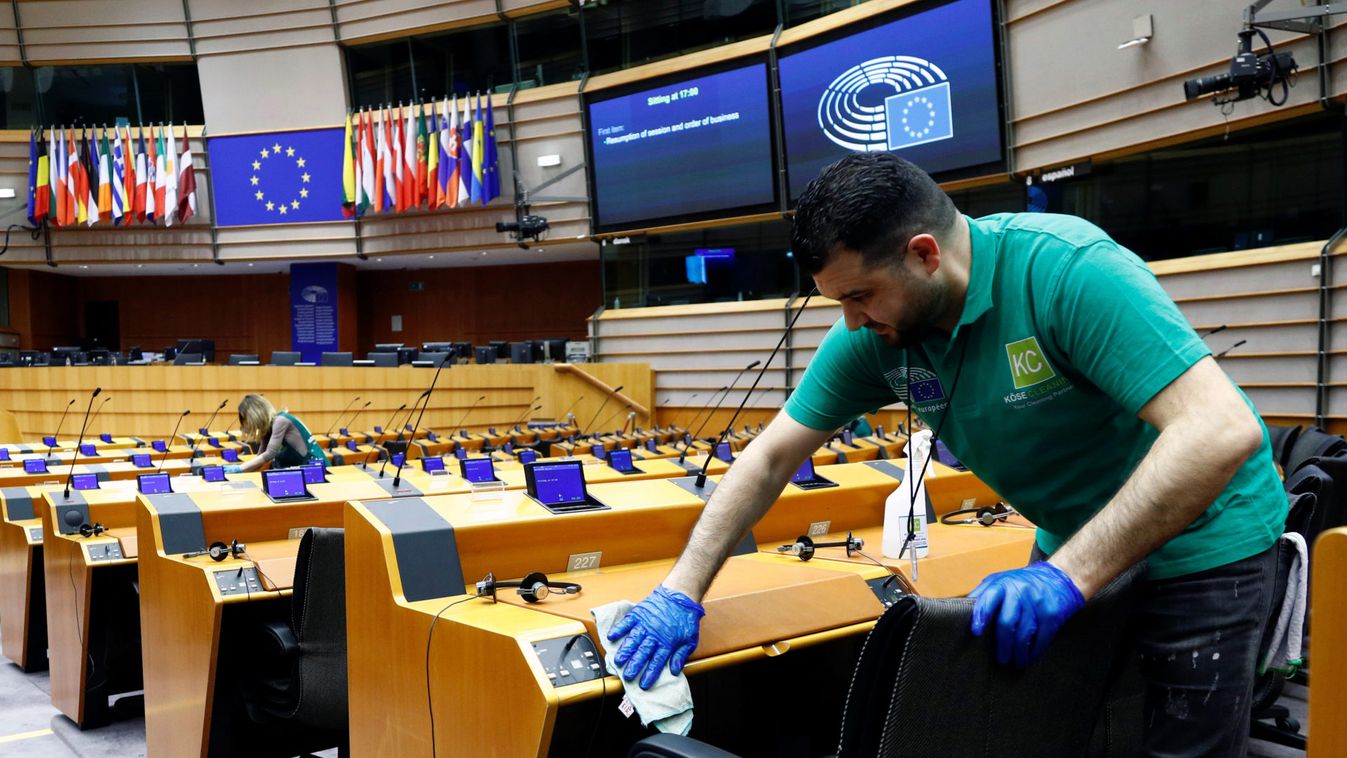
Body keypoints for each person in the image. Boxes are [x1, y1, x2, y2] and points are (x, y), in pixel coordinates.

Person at [607, 153, 1284, 755]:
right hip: (1072, 543)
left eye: (859, 296)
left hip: (1204, 540)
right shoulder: (877, 337)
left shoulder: (1064, 269)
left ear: (924, 254)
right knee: (1052, 730)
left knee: (1180, 743)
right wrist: (679, 591)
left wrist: (1064, 577)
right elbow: (768, 459)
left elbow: (1217, 432)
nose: (850, 321)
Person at [225, 394, 326, 473]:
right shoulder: (268, 428)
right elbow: (259, 459)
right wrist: (236, 472)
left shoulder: (281, 421)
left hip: (316, 470)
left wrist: (238, 468)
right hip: (302, 471)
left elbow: (270, 454)